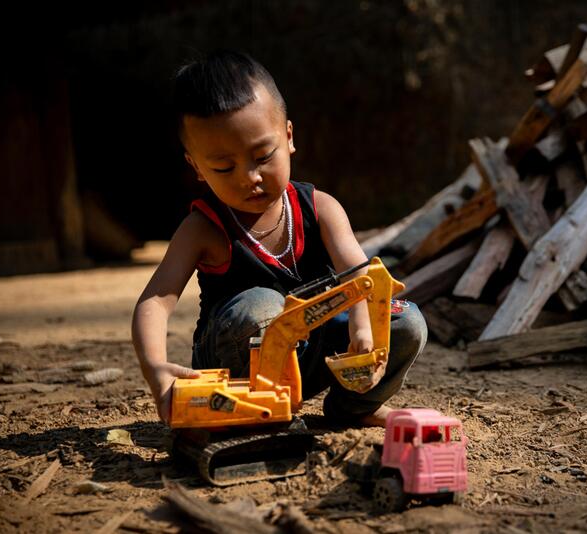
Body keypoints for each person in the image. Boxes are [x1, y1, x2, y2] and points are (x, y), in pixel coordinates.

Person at [131, 50, 426, 427]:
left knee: (404, 321)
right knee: (263, 306)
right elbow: (155, 302)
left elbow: (360, 278)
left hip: (308, 355)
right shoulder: (203, 228)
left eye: (262, 156)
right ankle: (260, 416)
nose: (249, 177)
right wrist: (155, 368)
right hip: (236, 365)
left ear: (288, 137)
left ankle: (354, 406)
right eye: (224, 167)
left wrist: (364, 327)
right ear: (197, 167)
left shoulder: (321, 209)